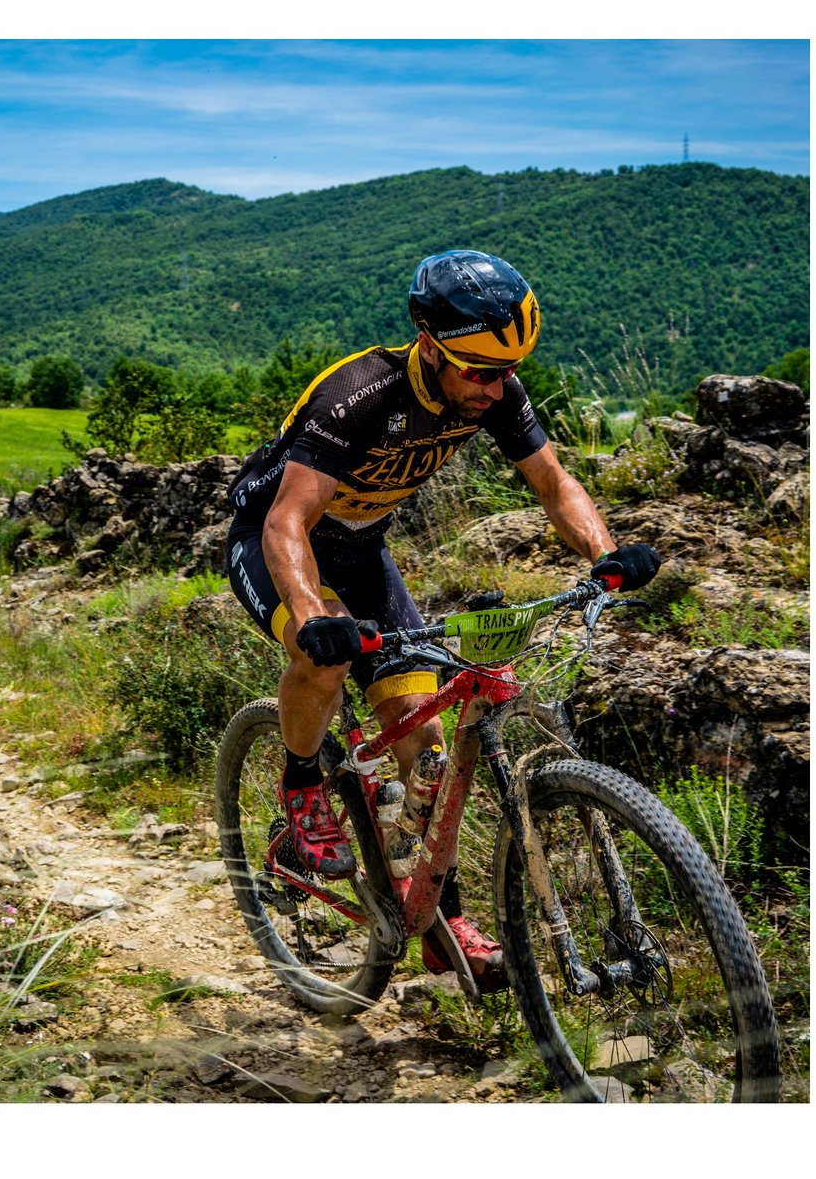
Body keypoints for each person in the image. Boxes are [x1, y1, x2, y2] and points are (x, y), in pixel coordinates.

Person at [223, 250, 660, 990]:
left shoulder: (495, 386)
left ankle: (439, 917)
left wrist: (608, 558)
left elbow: (554, 483)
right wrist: (310, 612)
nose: (495, 390)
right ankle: (301, 784)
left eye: (505, 373)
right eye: (479, 373)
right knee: (322, 654)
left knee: (425, 741)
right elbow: (287, 520)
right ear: (430, 347)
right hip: (276, 542)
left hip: (361, 550)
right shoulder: (359, 394)